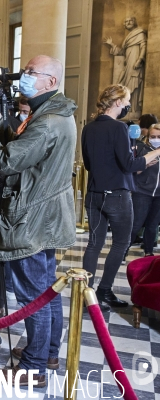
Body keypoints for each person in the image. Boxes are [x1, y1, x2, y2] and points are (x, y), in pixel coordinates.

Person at [0, 55, 77, 386]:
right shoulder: (54, 113)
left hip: (33, 218)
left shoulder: (47, 122)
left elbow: (7, 160)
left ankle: (34, 366)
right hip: (47, 214)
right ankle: (48, 352)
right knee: (46, 290)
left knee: (32, 296)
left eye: (30, 73)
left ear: (50, 82)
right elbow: (26, 149)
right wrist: (0, 124)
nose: (23, 77)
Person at [82, 84, 160, 309]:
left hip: (95, 193)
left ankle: (86, 294)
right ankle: (104, 290)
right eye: (126, 101)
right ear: (117, 102)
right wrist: (154, 153)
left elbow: (89, 164)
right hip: (117, 195)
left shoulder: (89, 128)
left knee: (94, 244)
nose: (128, 105)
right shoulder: (118, 128)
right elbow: (128, 165)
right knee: (121, 243)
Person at [104, 17, 147, 113]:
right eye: (126, 21)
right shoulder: (127, 38)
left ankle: (133, 109)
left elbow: (144, 47)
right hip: (128, 64)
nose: (128, 23)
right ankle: (126, 109)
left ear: (134, 22)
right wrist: (111, 44)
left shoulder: (139, 33)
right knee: (124, 85)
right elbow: (122, 52)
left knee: (133, 81)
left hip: (135, 63)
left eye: (130, 21)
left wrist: (139, 60)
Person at [130, 123, 160, 256]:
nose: (156, 139)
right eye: (153, 136)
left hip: (158, 195)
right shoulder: (142, 149)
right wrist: (145, 165)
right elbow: (132, 171)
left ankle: (149, 252)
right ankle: (123, 251)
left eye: (159, 136)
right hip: (142, 192)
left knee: (153, 225)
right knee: (136, 224)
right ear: (148, 137)